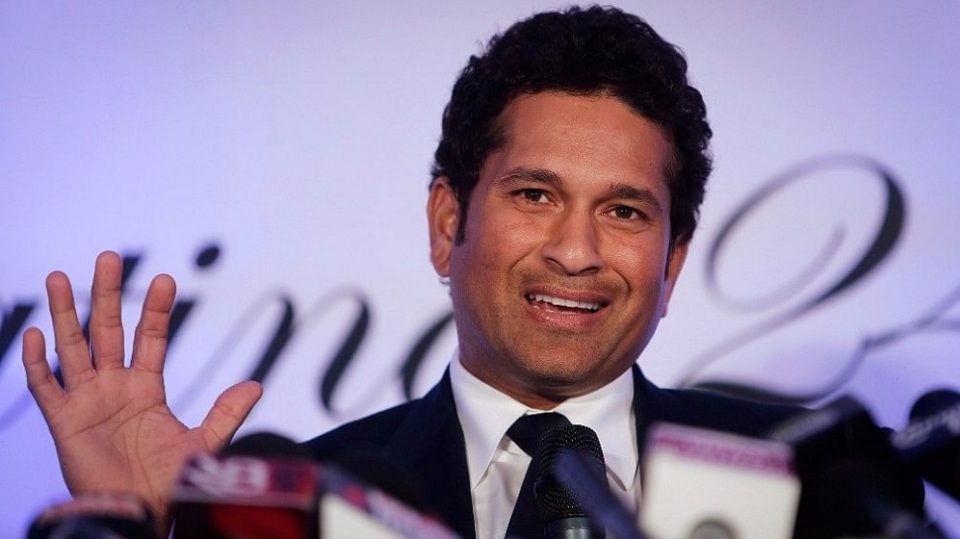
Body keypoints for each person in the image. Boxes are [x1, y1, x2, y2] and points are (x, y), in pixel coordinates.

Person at [20, 5, 923, 539]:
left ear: (672, 260)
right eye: (535, 195)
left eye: (624, 211)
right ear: (447, 221)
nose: (576, 250)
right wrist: (141, 528)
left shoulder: (817, 486)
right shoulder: (303, 508)